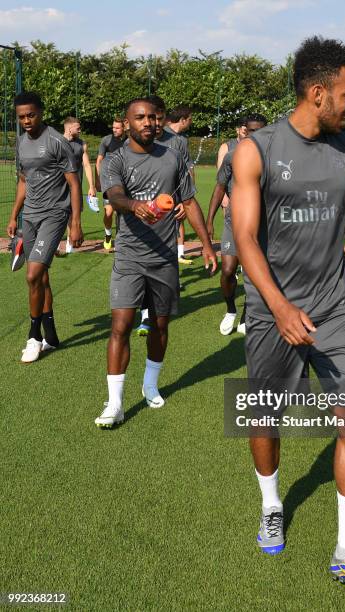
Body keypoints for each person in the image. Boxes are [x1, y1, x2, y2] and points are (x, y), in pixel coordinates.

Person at [232, 37, 345, 602]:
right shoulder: (255, 149)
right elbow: (246, 238)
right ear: (317, 92)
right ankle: (272, 505)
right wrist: (278, 307)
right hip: (273, 311)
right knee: (265, 417)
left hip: (335, 310)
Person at [95, 97, 217, 428]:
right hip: (130, 257)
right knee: (120, 325)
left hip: (164, 258)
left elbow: (189, 202)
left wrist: (206, 246)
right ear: (128, 122)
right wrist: (134, 205)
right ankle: (116, 403)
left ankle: (150, 384)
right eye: (140, 118)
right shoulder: (116, 160)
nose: (148, 122)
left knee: (160, 327)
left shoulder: (173, 156)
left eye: (152, 117)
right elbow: (115, 196)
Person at [7, 92, 83, 362]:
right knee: (41, 278)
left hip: (54, 215)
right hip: (30, 217)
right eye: (21, 117)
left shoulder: (57, 142)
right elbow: (24, 181)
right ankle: (51, 336)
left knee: (32, 276)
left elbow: (74, 183)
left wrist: (75, 223)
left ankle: (34, 336)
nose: (26, 120)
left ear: (41, 112)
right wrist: (14, 215)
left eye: (31, 114)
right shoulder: (21, 143)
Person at [135, 96, 192, 336]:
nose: (155, 124)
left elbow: (186, 174)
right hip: (139, 213)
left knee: (161, 261)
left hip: (168, 213)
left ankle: (153, 310)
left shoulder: (178, 142)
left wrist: (184, 203)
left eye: (159, 118)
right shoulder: (134, 142)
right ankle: (146, 313)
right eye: (151, 118)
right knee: (142, 263)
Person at [206, 114, 267, 336]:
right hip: (234, 220)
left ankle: (246, 314)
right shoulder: (233, 156)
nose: (255, 135)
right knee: (228, 270)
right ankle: (231, 309)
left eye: (260, 130)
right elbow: (220, 187)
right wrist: (209, 220)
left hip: (262, 223)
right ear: (244, 131)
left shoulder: (271, 157)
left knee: (253, 272)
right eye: (251, 130)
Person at [63, 116, 96, 253]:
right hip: (58, 186)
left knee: (74, 214)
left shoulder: (82, 144)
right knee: (61, 215)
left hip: (75, 186)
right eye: (78, 128)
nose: (80, 130)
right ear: (70, 128)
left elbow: (87, 165)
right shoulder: (57, 142)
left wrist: (91, 186)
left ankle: (70, 242)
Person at [166, 105, 194, 264]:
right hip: (159, 196)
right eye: (190, 119)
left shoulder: (181, 141)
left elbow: (189, 168)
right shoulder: (160, 135)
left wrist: (187, 198)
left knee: (173, 228)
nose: (191, 123)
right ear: (183, 120)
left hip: (176, 196)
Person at [95, 118, 125, 250]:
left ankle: (120, 238)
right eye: (113, 127)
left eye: (117, 128)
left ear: (124, 128)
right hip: (108, 181)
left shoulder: (129, 142)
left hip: (124, 182)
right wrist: (98, 179)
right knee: (108, 211)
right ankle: (108, 235)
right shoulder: (106, 140)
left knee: (122, 211)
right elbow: (99, 160)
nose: (114, 130)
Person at [216, 116, 248, 215]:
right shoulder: (226, 147)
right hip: (231, 196)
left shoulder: (254, 146)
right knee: (231, 229)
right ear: (237, 130)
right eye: (244, 132)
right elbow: (220, 176)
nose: (246, 134)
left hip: (250, 197)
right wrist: (224, 197)